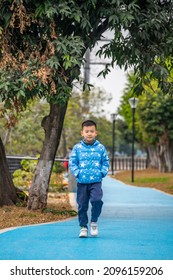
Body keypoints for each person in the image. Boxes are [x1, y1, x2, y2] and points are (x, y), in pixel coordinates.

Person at [69, 120, 109, 238]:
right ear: (82, 133)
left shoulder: (101, 148)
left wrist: (102, 173)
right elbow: (72, 162)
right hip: (82, 182)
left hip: (96, 182)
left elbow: (105, 161)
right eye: (87, 131)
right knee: (82, 205)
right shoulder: (77, 148)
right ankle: (83, 227)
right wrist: (77, 173)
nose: (89, 133)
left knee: (97, 201)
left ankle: (94, 222)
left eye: (92, 131)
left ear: (96, 133)